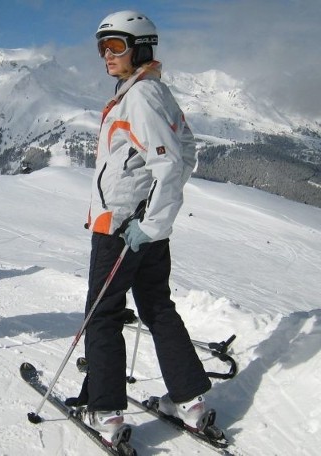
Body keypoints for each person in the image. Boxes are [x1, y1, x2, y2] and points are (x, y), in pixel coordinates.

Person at [71, 10, 212, 441]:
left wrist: (147, 220)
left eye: (115, 46)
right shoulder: (153, 91)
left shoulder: (140, 98)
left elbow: (169, 163)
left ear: (142, 47)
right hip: (144, 225)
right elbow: (185, 151)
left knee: (103, 314)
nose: (106, 56)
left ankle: (107, 412)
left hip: (120, 228)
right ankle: (189, 401)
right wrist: (154, 216)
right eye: (102, 47)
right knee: (156, 306)